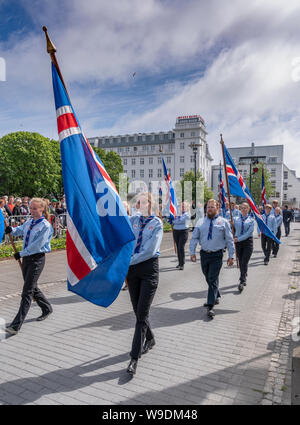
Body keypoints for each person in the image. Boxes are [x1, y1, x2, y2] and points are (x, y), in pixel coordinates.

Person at [126, 192, 163, 375]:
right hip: (132, 271)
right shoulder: (133, 220)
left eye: (142, 202)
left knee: (141, 316)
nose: (139, 204)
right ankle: (151, 338)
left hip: (148, 270)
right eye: (137, 202)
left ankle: (134, 357)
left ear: (150, 204)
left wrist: (128, 261)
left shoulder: (156, 223)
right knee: (137, 310)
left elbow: (150, 251)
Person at [4, 198, 53, 335]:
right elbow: (20, 230)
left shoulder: (45, 226)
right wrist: (12, 230)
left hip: (36, 259)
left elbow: (37, 245)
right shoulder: (30, 222)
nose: (32, 211)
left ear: (42, 209)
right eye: (31, 208)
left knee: (27, 292)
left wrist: (21, 253)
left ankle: (15, 325)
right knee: (32, 287)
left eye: (35, 208)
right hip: (26, 259)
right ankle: (47, 308)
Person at [189, 199, 235, 319]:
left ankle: (210, 305)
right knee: (208, 277)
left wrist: (231, 256)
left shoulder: (224, 222)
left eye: (212, 207)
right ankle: (216, 294)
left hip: (217, 255)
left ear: (217, 208)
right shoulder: (200, 221)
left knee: (212, 278)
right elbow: (194, 238)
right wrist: (192, 252)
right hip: (204, 254)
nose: (209, 209)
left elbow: (230, 240)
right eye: (208, 207)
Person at [233, 202, 254, 292]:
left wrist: (238, 239)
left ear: (248, 209)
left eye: (246, 208)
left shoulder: (251, 220)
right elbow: (231, 229)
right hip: (238, 243)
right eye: (242, 208)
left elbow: (248, 233)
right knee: (240, 261)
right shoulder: (235, 219)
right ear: (240, 209)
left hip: (247, 243)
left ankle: (242, 280)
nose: (244, 209)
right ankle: (244, 274)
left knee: (244, 261)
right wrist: (231, 224)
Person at [172, 201, 191, 270]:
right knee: (177, 246)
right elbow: (174, 221)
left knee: (180, 247)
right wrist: (174, 220)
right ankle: (179, 262)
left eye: (184, 206)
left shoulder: (187, 214)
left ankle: (182, 263)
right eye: (181, 206)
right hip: (176, 231)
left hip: (183, 231)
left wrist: (174, 221)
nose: (182, 207)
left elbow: (179, 221)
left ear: (187, 207)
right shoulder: (176, 213)